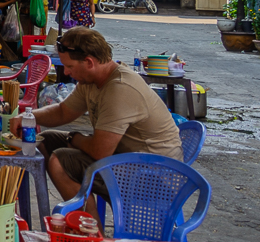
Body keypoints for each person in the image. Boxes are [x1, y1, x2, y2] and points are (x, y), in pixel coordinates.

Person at [10, 27, 182, 214]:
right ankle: (74, 210)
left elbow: (100, 151)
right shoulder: (90, 81)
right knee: (46, 139)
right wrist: (28, 117)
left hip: (154, 176)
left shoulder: (120, 88)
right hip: (125, 160)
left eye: (70, 67)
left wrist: (73, 138)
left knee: (61, 160)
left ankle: (90, 233)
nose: (66, 72)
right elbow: (62, 112)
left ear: (89, 62)